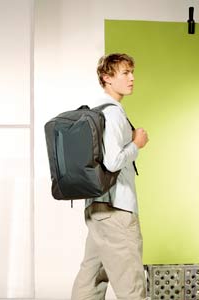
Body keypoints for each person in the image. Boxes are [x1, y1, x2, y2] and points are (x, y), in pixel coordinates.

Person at [71, 53, 149, 300]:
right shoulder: (113, 113)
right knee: (131, 287)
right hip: (117, 211)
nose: (132, 78)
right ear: (107, 78)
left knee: (90, 282)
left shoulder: (95, 111)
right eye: (125, 73)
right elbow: (113, 161)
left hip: (96, 209)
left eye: (132, 72)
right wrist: (137, 143)